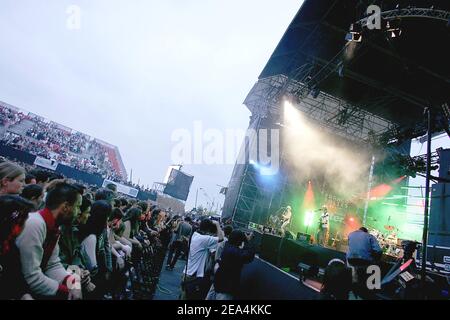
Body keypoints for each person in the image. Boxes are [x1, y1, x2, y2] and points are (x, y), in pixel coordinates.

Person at [15, 182, 83, 299]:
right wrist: (67, 291)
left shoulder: (53, 227)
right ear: (65, 207)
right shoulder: (35, 224)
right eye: (77, 206)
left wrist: (73, 283)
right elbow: (32, 277)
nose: (79, 212)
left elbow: (52, 265)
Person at [0, 195, 35, 299]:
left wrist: (25, 295)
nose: (24, 227)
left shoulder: (10, 246)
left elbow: (16, 278)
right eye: (21, 222)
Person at [181, 218, 223, 300]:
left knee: (183, 296)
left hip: (187, 272)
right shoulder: (204, 239)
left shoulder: (195, 234)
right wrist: (217, 225)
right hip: (193, 276)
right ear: (208, 229)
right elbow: (221, 238)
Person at [213, 230, 255, 300]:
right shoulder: (232, 251)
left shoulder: (227, 246)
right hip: (225, 288)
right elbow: (249, 256)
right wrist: (247, 241)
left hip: (219, 284)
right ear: (239, 240)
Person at [346, 227, 382, 299]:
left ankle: (353, 289)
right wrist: (376, 259)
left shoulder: (350, 234)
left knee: (354, 275)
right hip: (364, 261)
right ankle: (369, 291)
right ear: (366, 232)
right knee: (373, 270)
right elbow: (379, 250)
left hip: (350, 260)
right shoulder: (370, 236)